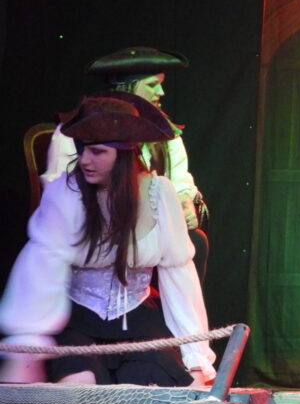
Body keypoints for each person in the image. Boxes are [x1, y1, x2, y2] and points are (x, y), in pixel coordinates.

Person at [0, 93, 217, 386]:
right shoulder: (65, 193)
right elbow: (40, 270)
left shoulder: (159, 193)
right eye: (83, 150)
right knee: (79, 385)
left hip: (138, 320)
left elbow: (179, 277)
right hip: (77, 323)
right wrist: (27, 344)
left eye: (98, 152)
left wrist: (196, 356)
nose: (85, 160)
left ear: (124, 155)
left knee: (149, 386)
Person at [42, 46, 211, 280]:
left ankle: (166, 304)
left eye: (161, 84)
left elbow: (179, 181)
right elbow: (59, 192)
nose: (161, 92)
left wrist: (185, 204)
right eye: (152, 85)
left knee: (195, 242)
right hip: (93, 230)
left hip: (147, 229)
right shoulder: (78, 129)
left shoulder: (165, 133)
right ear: (127, 87)